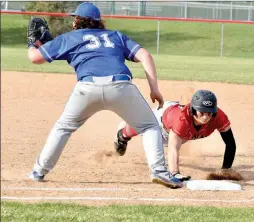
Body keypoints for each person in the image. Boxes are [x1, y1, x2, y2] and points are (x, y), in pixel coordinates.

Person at [27, 2, 183, 189]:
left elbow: (35, 58)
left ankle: (39, 171)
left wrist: (32, 44)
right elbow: (145, 55)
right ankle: (159, 171)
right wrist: (154, 88)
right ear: (98, 21)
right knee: (149, 126)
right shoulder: (116, 36)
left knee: (63, 127)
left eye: (75, 18)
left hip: (87, 88)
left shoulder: (69, 37)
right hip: (120, 87)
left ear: (78, 21)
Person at [114, 89, 237, 181]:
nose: (206, 117)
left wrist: (225, 170)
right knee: (146, 130)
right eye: (202, 112)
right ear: (194, 109)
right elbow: (173, 148)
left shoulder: (219, 117)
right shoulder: (182, 119)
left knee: (169, 139)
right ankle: (122, 134)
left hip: (179, 132)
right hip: (160, 121)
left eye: (210, 113)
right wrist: (175, 173)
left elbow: (230, 144)